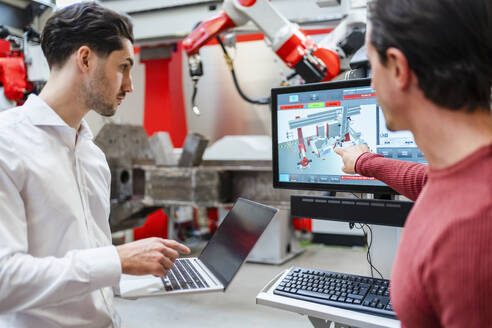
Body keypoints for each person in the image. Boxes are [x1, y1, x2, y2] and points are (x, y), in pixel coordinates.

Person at [0, 2, 190, 327]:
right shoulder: (7, 145)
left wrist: (139, 271)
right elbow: (5, 282)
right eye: (123, 68)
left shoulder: (91, 154)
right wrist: (117, 259)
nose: (129, 86)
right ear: (85, 59)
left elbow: (91, 263)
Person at [335, 0, 492, 326]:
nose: (371, 83)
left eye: (372, 65)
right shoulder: (466, 174)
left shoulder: (472, 231)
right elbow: (428, 182)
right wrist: (365, 161)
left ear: (397, 68)